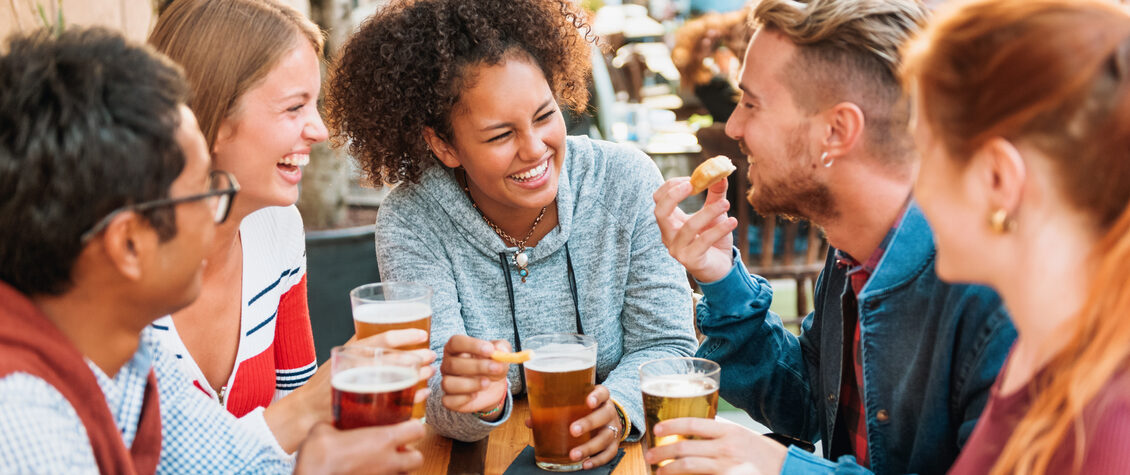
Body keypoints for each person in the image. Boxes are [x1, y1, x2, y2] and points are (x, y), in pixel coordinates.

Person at [0, 26, 425, 473]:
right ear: (128, 244)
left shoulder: (127, 355)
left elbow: (231, 461)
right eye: (202, 194)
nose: (218, 215)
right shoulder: (24, 420)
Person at [325, 0, 698, 468]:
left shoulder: (625, 181)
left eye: (545, 116)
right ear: (444, 145)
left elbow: (667, 344)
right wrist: (475, 399)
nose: (535, 149)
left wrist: (618, 411)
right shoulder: (413, 219)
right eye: (501, 135)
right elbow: (433, 393)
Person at [650, 0, 1016, 473]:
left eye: (752, 103)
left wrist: (783, 468)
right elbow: (806, 402)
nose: (734, 126)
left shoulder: (996, 294)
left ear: (837, 131)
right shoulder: (852, 249)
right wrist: (721, 279)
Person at [147, 0, 435, 453]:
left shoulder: (276, 227)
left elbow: (299, 442)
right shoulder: (120, 271)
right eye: (294, 108)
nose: (319, 130)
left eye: (314, 105)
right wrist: (308, 407)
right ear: (214, 120)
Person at [902, 0, 1130, 473]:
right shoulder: (1043, 345)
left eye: (923, 152)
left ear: (997, 180)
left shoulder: (1106, 437)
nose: (914, 189)